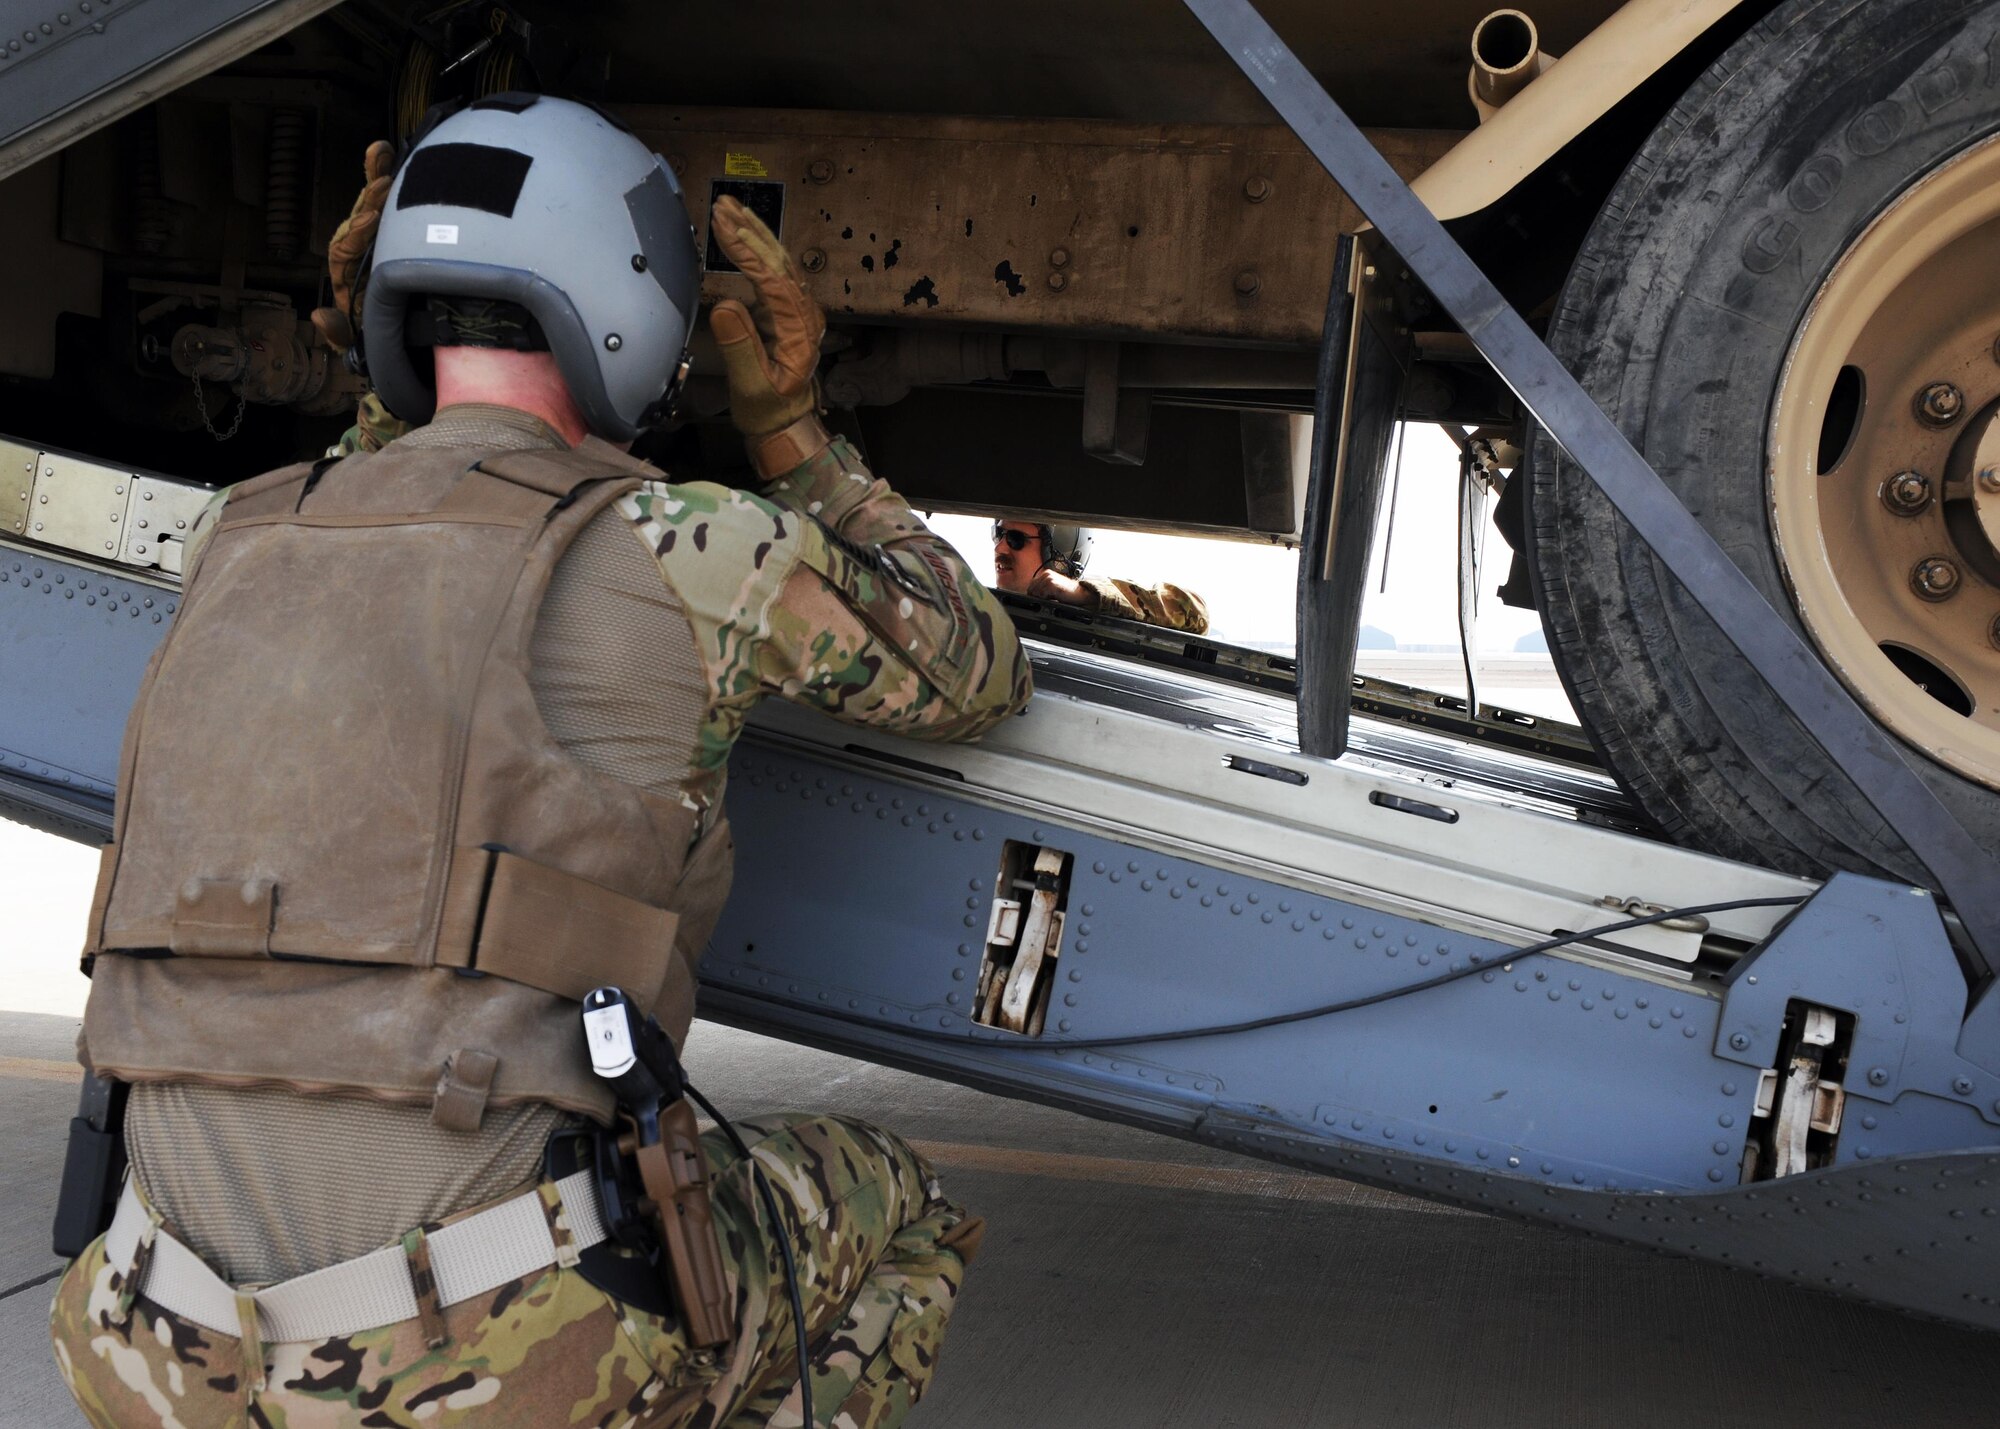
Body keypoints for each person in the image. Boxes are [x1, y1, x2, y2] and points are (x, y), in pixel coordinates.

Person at [50, 96, 1030, 1428]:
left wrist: (375, 406)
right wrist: (795, 433)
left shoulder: (234, 537)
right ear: (633, 310)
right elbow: (975, 665)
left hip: (147, 1343)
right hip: (471, 1370)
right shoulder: (698, 549)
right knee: (899, 1206)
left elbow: (396, 543)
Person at [991, 517, 1210, 633]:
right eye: (999, 534)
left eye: (1015, 539)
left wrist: (1085, 594)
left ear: (1058, 552)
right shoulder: (981, 614)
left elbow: (1196, 613)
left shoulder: (1093, 620)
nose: (999, 548)